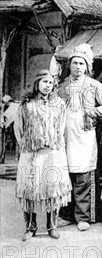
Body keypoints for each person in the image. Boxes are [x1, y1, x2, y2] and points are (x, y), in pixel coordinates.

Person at [57, 44, 102, 231]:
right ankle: (65, 215)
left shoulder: (94, 85)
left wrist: (94, 112)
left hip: (84, 137)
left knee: (83, 175)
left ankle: (83, 217)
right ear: (70, 65)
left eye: (81, 64)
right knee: (65, 175)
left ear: (87, 66)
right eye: (74, 63)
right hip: (64, 137)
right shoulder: (61, 86)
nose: (77, 67)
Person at [15, 70, 71, 241]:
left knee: (52, 187)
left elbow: (62, 127)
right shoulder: (26, 104)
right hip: (31, 153)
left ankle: (52, 225)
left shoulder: (59, 104)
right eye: (44, 82)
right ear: (37, 83)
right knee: (30, 188)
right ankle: (30, 227)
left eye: (51, 82)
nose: (48, 85)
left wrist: (55, 144)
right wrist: (27, 145)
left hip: (52, 153)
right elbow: (19, 128)